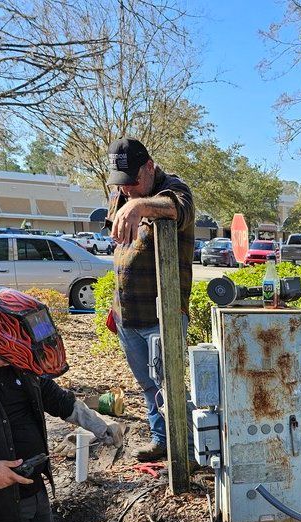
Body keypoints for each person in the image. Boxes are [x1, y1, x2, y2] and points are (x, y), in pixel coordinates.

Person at [0, 288, 122, 522]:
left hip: (35, 494)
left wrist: (98, 425)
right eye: (3, 358)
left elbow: (53, 396)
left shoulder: (15, 360)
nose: (8, 363)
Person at [106, 137, 195, 462]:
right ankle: (162, 441)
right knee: (147, 386)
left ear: (149, 166)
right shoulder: (123, 194)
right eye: (121, 185)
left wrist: (139, 206)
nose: (127, 190)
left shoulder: (173, 188)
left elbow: (179, 209)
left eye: (132, 181)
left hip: (163, 316)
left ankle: (187, 450)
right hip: (127, 313)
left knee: (170, 386)